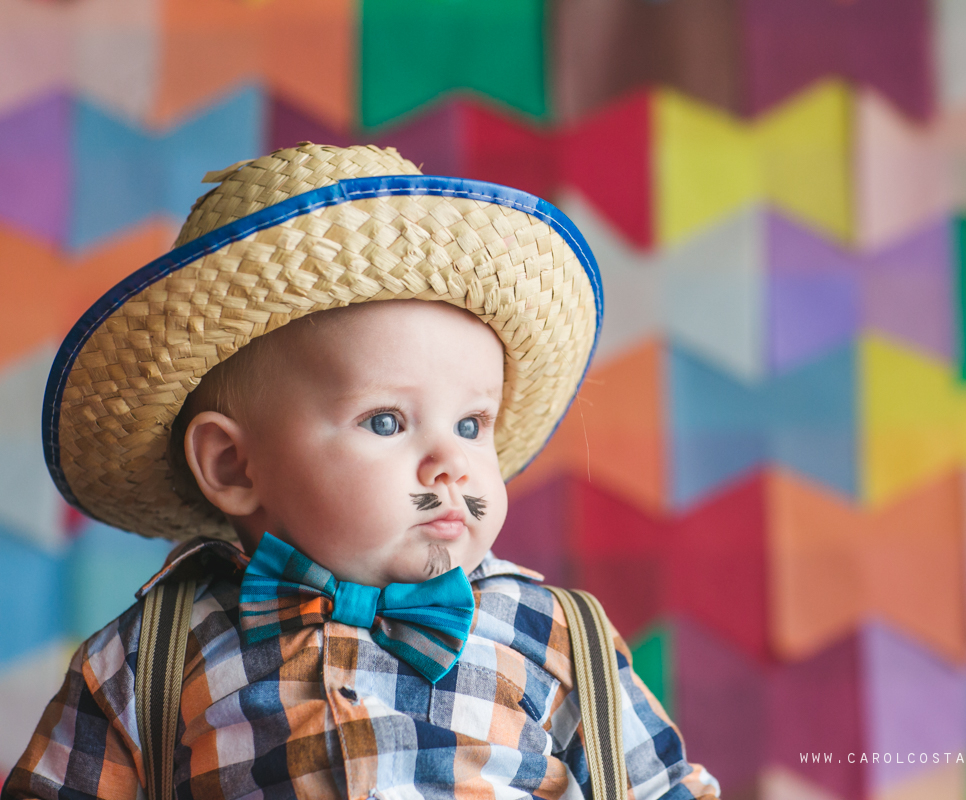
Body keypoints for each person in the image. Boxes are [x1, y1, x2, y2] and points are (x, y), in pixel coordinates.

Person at [2, 144, 720, 800]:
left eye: (471, 425)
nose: (451, 462)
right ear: (232, 465)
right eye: (386, 422)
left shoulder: (555, 637)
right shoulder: (147, 660)